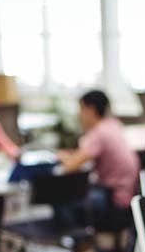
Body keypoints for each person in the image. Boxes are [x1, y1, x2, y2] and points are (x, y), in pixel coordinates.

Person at [56, 90, 140, 228]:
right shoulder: (113, 125)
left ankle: (77, 242)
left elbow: (71, 166)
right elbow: (83, 156)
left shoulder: (98, 133)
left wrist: (61, 157)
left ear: (90, 110)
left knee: (59, 197)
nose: (79, 115)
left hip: (113, 200)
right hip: (127, 196)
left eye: (81, 109)